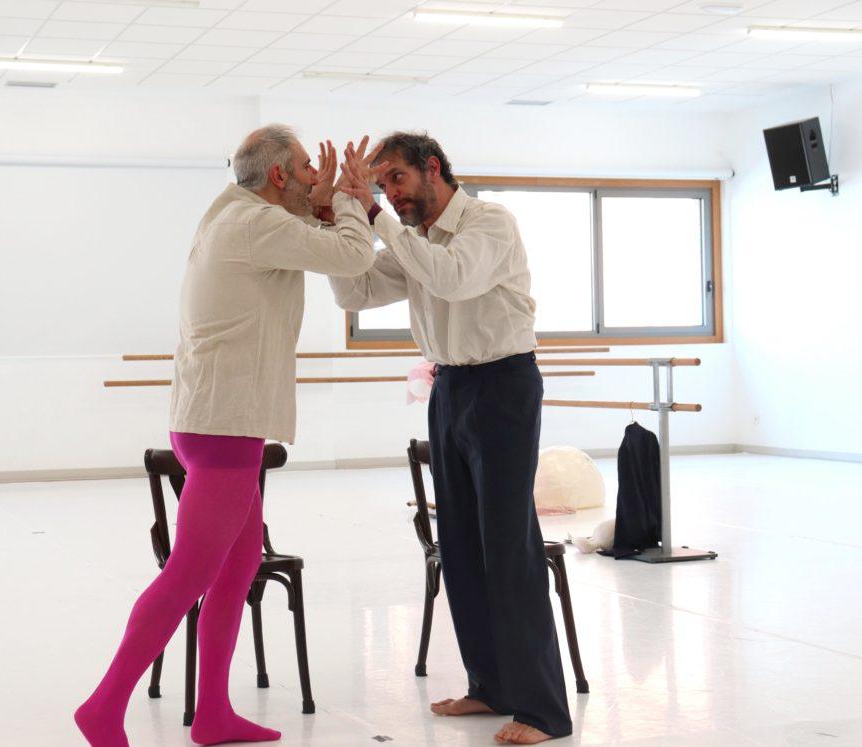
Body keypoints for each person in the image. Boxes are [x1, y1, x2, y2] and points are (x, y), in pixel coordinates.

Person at [75, 124, 377, 747]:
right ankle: (102, 708)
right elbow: (352, 255)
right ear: (278, 176)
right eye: (305, 168)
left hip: (215, 421)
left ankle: (212, 712)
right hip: (224, 427)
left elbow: (306, 241)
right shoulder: (255, 225)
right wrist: (349, 199)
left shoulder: (238, 216)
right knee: (188, 574)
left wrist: (319, 204)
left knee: (236, 569)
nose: (313, 176)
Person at [330, 132, 572, 745]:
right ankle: (490, 686)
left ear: (432, 168)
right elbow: (355, 290)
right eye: (380, 185)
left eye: (396, 179)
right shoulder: (415, 241)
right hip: (450, 389)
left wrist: (375, 215)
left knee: (509, 546)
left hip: (503, 386)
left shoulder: (489, 223)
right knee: (460, 544)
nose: (391, 193)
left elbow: (454, 279)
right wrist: (339, 217)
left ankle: (543, 710)